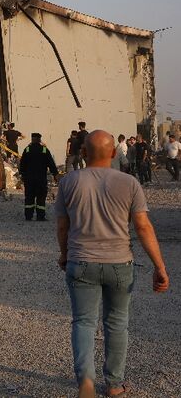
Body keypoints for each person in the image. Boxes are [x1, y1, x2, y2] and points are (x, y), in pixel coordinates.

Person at [55, 130, 169, 398]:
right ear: (114, 153)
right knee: (117, 323)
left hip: (81, 260)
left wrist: (64, 254)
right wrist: (159, 266)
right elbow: (142, 227)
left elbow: (62, 226)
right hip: (120, 264)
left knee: (83, 321)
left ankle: (86, 381)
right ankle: (115, 385)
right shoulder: (129, 183)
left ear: (83, 153)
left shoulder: (70, 181)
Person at [18, 133, 59, 221]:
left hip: (29, 178)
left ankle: (28, 216)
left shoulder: (27, 149)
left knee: (29, 196)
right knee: (41, 197)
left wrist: (22, 174)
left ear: (32, 139)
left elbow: (22, 163)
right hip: (41, 178)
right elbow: (51, 163)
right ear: (39, 140)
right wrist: (55, 174)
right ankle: (40, 216)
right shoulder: (44, 150)